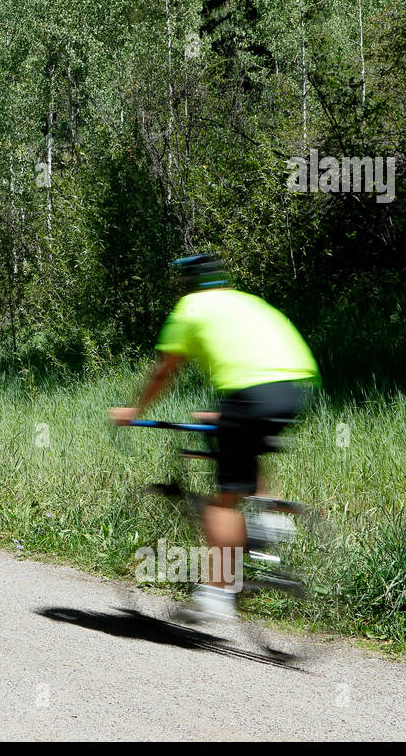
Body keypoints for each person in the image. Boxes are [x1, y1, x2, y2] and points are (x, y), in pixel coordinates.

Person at [110, 254, 320, 623]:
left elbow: (164, 373)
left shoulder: (191, 307)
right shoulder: (248, 302)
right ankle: (270, 515)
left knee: (223, 502)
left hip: (249, 394)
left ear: (188, 283)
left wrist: (133, 410)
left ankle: (219, 594)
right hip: (294, 389)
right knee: (238, 443)